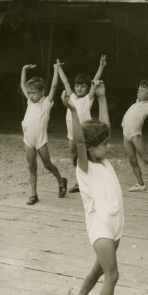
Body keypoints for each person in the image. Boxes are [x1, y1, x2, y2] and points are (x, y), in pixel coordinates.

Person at [63, 80, 129, 295]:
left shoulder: (103, 161)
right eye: (103, 144)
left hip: (115, 224)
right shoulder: (85, 166)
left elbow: (105, 128)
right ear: (89, 148)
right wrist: (72, 111)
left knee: (98, 269)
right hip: (100, 225)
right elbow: (80, 142)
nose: (109, 146)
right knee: (112, 274)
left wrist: (101, 98)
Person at [57, 55, 107, 193]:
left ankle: (89, 182)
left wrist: (101, 67)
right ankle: (80, 181)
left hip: (84, 135)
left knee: (87, 158)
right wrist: (58, 68)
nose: (79, 88)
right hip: (71, 134)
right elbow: (65, 82)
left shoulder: (88, 99)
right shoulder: (72, 97)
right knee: (75, 157)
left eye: (82, 86)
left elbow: (94, 82)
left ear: (87, 88)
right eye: (77, 85)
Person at [20, 62, 68, 204]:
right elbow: (22, 86)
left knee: (47, 164)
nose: (30, 95)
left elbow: (53, 85)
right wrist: (23, 69)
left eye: (33, 93)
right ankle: (34, 194)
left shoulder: (47, 103)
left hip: (40, 140)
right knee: (31, 166)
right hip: (28, 140)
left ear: (42, 92)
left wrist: (55, 69)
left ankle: (61, 181)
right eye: (29, 93)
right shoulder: (29, 102)